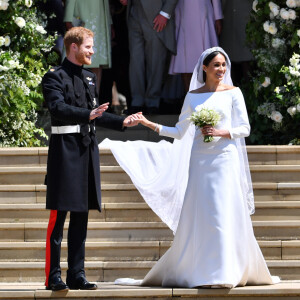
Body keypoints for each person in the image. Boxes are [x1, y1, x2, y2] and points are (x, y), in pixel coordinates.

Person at [101, 47, 279, 288]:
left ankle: (227, 269)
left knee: (224, 210)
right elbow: (179, 131)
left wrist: (221, 132)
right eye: (216, 65)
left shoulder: (234, 93)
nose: (221, 69)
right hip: (200, 160)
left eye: (223, 65)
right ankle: (203, 268)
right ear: (204, 68)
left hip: (225, 158)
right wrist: (149, 123)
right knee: (206, 212)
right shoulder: (192, 97)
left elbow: (245, 128)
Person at [42, 26, 140, 292]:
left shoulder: (88, 78)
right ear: (73, 47)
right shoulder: (54, 77)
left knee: (81, 216)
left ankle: (77, 274)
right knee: (58, 217)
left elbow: (95, 112)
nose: (92, 52)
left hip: (86, 150)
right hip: (64, 151)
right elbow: (58, 108)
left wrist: (122, 121)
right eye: (88, 47)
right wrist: (88, 115)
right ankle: (53, 276)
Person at [119, 0, 178, 114]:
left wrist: (165, 13)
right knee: (135, 61)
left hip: (156, 16)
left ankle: (152, 102)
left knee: (155, 60)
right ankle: (137, 101)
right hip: (134, 14)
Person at [169, 0, 223, 92]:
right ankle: (189, 96)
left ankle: (207, 96)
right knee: (184, 60)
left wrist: (217, 16)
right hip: (183, 10)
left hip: (203, 9)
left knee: (207, 58)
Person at [64, 0, 112, 91]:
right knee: (77, 61)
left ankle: (93, 100)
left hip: (101, 20)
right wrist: (68, 18)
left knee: (97, 64)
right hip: (83, 17)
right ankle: (76, 100)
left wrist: (109, 22)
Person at [219, 0, 253, 85]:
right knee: (228, 55)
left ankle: (251, 91)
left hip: (246, 12)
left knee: (246, 53)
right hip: (228, 11)